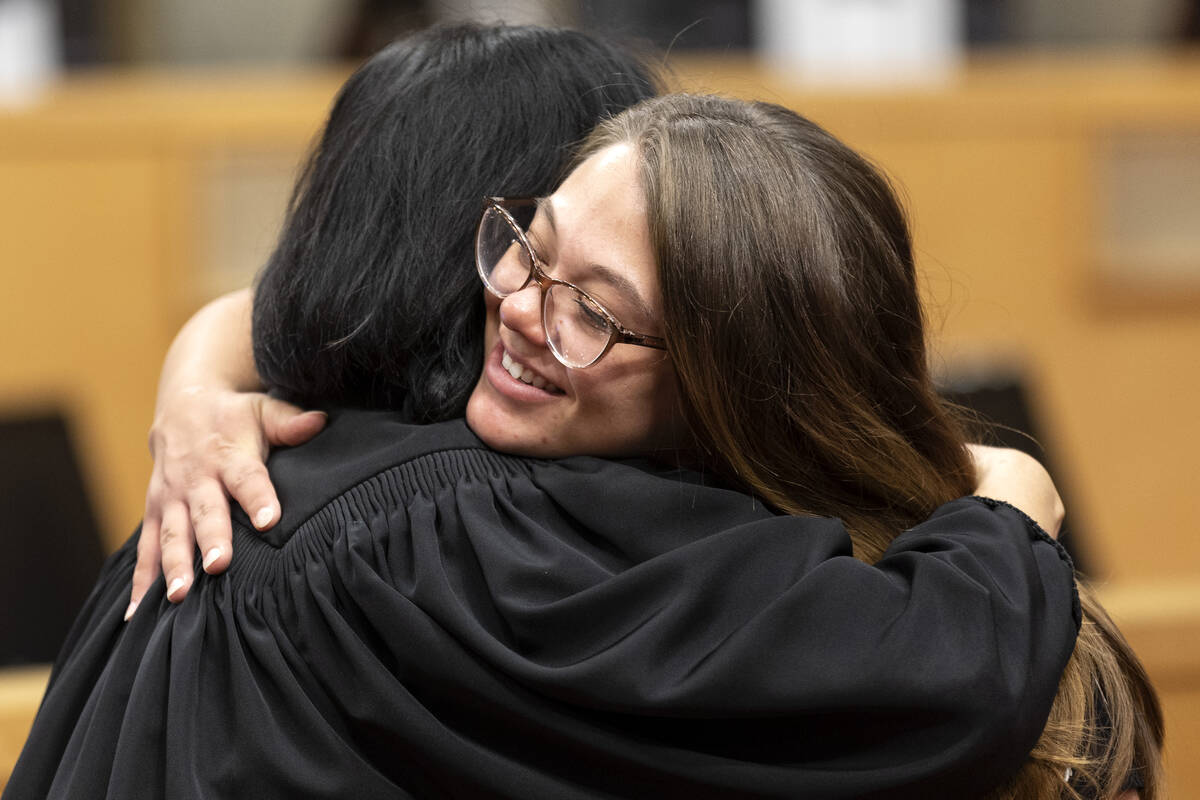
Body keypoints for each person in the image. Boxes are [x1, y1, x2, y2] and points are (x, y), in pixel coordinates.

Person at [9, 28, 1082, 800]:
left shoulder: (231, 491)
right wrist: (1010, 497)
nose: (522, 303)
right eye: (529, 246)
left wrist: (196, 371)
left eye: (596, 306)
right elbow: (935, 676)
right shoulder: (475, 530)